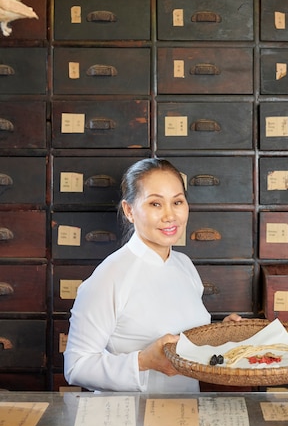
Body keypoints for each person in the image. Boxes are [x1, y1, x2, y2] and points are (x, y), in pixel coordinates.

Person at [64, 157, 242, 393]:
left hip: (183, 416)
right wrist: (142, 361)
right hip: (129, 422)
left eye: (177, 202)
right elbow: (75, 367)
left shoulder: (184, 265)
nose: (170, 215)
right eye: (155, 204)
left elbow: (186, 344)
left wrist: (220, 336)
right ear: (129, 210)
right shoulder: (109, 277)